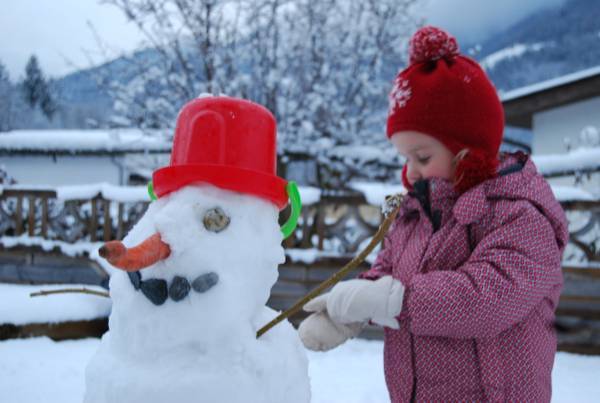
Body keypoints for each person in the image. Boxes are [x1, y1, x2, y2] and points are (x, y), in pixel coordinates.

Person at [298, 26, 569, 402]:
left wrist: (391, 301)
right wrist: (351, 311)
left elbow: (486, 299)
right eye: (405, 159)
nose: (411, 172)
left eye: (422, 157)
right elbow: (386, 272)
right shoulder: (413, 215)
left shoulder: (521, 216)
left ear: (468, 148)